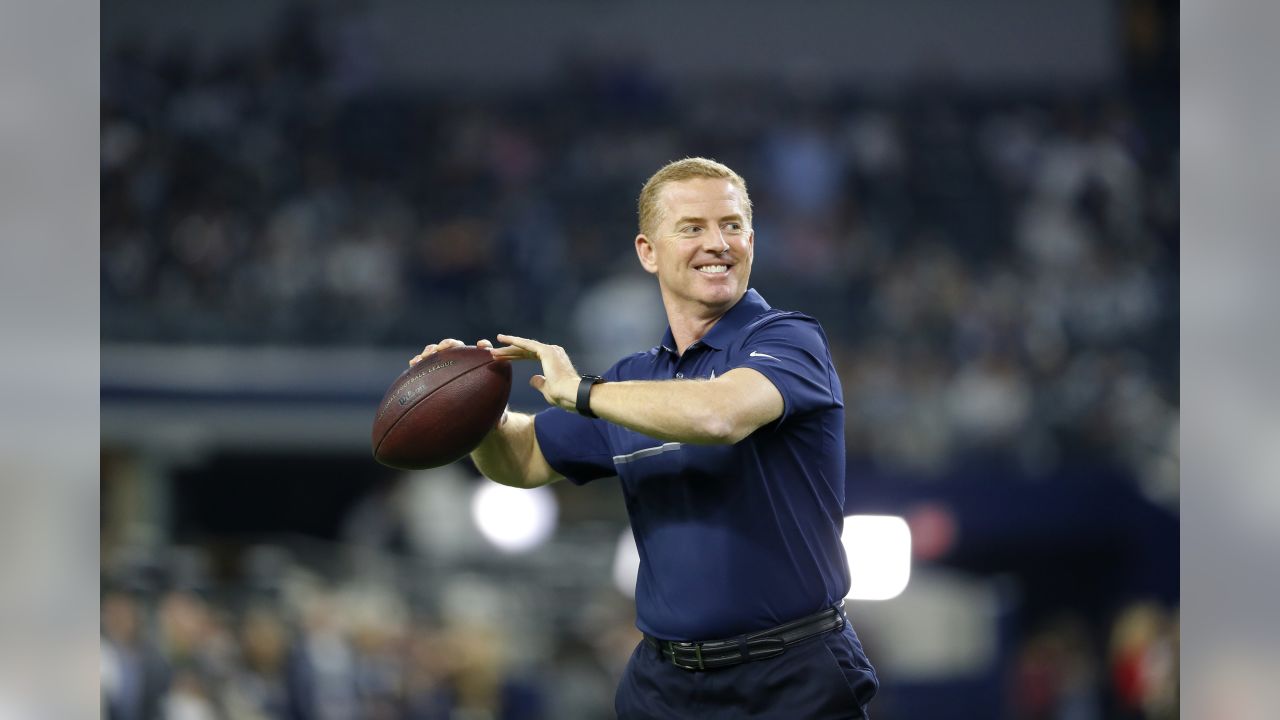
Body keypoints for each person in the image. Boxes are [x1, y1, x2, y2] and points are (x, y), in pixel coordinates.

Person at [411, 157, 878, 718]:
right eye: (692, 228)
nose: (718, 243)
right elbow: (523, 458)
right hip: (666, 686)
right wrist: (474, 409)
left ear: (752, 240)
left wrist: (584, 392)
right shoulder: (634, 381)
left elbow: (719, 414)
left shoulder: (789, 340)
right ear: (647, 252)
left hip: (790, 678)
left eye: (732, 225)